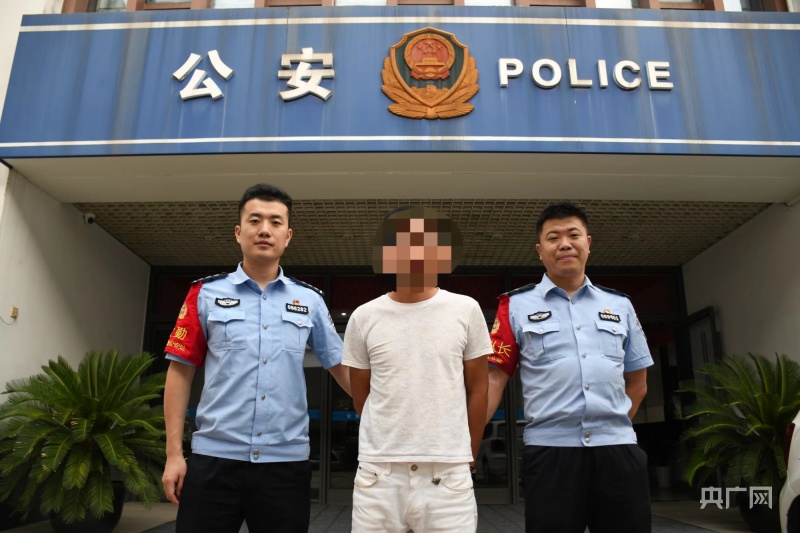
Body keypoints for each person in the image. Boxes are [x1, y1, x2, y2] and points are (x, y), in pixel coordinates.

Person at [160, 183, 350, 533]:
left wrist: (385, 407)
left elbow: (340, 367)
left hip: (285, 465)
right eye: (255, 220)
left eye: (275, 222)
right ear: (238, 232)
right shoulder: (204, 293)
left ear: (287, 236)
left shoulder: (310, 301)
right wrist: (174, 454)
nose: (265, 229)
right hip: (214, 461)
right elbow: (180, 372)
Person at [487, 202, 653, 533]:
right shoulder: (514, 306)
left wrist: (610, 425)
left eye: (573, 235)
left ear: (588, 243)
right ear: (540, 250)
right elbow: (494, 381)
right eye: (553, 237)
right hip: (551, 454)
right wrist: (466, 443)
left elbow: (638, 381)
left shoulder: (620, 305)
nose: (565, 244)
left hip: (618, 451)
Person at [343, 206, 491, 533]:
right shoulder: (364, 317)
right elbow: (362, 396)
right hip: (379, 473)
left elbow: (479, 389)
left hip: (447, 473)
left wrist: (467, 455)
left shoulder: (466, 309)